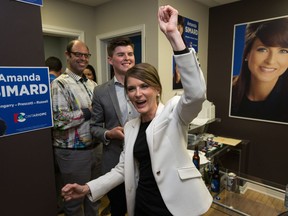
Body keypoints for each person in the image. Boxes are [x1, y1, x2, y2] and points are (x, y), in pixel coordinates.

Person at [62, 5, 212, 216]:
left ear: (157, 89)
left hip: (175, 206)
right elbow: (123, 169)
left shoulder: (174, 113)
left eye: (144, 86)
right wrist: (88, 188)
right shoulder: (132, 127)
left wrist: (174, 36)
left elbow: (196, 93)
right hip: (142, 203)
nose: (137, 94)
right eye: (131, 89)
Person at [51, 39, 102, 216]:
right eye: (77, 54)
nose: (82, 58)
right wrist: (88, 112)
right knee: (74, 203)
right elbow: (59, 120)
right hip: (73, 153)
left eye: (85, 55)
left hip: (96, 149)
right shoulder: (59, 84)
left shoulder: (92, 85)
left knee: (94, 196)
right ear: (68, 55)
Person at [90, 36, 139, 216]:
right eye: (121, 54)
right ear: (110, 60)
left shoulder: (144, 84)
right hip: (115, 161)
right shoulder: (101, 91)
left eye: (130, 54)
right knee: (118, 208)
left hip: (145, 160)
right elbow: (94, 127)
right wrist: (109, 133)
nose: (127, 58)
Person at [231, 17, 288, 123]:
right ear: (247, 53)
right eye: (263, 49)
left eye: (283, 51)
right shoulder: (228, 91)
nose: (271, 61)